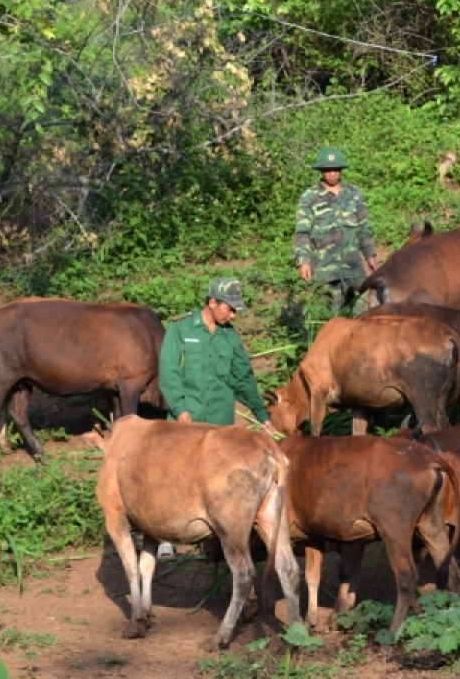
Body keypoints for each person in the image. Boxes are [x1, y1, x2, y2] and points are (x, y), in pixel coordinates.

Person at [156, 278, 276, 558]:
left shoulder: (230, 337)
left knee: (216, 482)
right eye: (230, 309)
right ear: (212, 303)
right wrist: (180, 407)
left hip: (219, 424)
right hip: (187, 421)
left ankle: (212, 539)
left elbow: (244, 379)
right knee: (175, 474)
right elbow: (169, 372)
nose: (233, 315)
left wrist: (261, 415)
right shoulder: (180, 329)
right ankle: (165, 536)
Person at [293, 147, 377, 315]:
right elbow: (302, 232)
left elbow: (363, 228)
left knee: (361, 316)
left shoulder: (354, 194)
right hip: (326, 270)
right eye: (327, 170)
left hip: (353, 268)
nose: (332, 173)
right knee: (330, 318)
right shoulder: (310, 197)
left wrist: (370, 255)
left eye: (335, 169)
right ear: (321, 171)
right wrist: (304, 261)